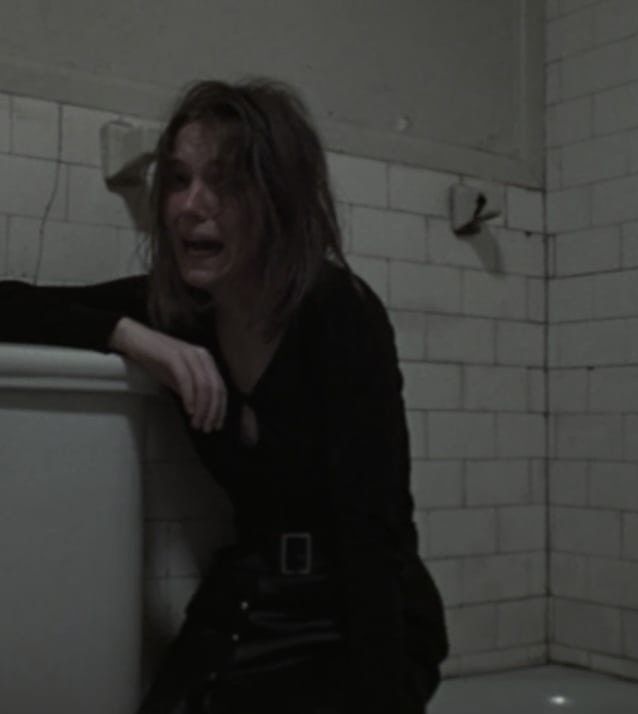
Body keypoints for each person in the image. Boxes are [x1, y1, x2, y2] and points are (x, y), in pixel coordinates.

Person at [0, 79, 448, 713]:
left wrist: (383, 698)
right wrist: (127, 334)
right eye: (179, 180)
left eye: (226, 182)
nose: (190, 204)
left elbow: (373, 536)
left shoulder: (337, 312)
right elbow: (10, 304)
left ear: (277, 198)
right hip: (244, 600)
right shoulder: (179, 314)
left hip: (349, 617)